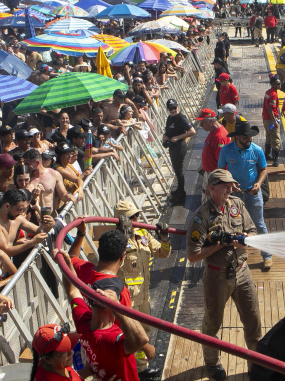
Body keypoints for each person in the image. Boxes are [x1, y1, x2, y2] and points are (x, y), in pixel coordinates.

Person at [186, 170, 260, 381]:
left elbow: (253, 231)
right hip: (217, 278)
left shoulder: (237, 205)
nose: (230, 189)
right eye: (225, 186)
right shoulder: (201, 217)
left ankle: (256, 363)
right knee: (212, 323)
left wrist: (246, 238)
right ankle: (212, 363)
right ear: (212, 188)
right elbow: (192, 256)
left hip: (243, 273)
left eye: (231, 185)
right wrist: (218, 245)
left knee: (253, 320)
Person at [114, 200, 170, 379]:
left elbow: (162, 253)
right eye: (132, 217)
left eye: (137, 215)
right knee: (130, 334)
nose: (137, 219)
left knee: (144, 332)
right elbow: (114, 264)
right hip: (126, 298)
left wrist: (164, 237)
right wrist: (123, 237)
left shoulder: (143, 233)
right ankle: (130, 370)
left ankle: (140, 368)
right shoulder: (116, 239)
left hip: (144, 296)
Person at [217, 121, 272, 269]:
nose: (249, 139)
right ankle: (237, 258)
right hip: (234, 196)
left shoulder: (257, 150)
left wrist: (259, 184)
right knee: (233, 226)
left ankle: (267, 256)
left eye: (250, 137)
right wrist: (229, 184)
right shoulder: (226, 150)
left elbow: (264, 169)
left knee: (259, 224)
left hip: (253, 193)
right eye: (246, 137)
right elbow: (221, 170)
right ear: (237, 138)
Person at [162, 99, 195, 205]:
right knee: (176, 170)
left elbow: (192, 131)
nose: (172, 110)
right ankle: (179, 189)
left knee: (179, 171)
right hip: (172, 147)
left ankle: (181, 194)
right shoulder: (169, 118)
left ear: (177, 107)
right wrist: (165, 136)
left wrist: (178, 137)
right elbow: (167, 131)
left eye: (174, 108)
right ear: (167, 109)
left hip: (179, 147)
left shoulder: (181, 118)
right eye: (170, 109)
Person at [196, 108, 230, 180]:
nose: (201, 125)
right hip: (211, 172)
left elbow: (222, 162)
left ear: (211, 121)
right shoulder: (213, 131)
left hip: (215, 175)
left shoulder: (219, 137)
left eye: (202, 122)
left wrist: (214, 180)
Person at [262, 75, 282, 166]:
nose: (280, 85)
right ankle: (275, 160)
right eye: (278, 83)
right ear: (273, 84)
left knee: (268, 136)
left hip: (265, 118)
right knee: (275, 138)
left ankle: (266, 155)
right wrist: (274, 121)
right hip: (271, 119)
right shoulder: (273, 94)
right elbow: (271, 108)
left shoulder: (268, 92)